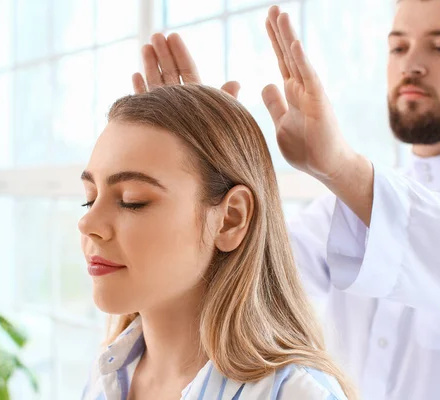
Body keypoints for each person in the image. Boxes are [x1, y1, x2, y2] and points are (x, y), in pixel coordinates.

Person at [130, 1, 440, 399]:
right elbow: (245, 272)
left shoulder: (363, 192)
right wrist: (204, 159)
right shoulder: (346, 209)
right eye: (398, 47)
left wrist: (339, 167)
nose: (412, 64)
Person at [79, 84, 354, 399]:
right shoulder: (106, 376)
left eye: (132, 200)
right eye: (89, 199)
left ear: (231, 219)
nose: (87, 223)